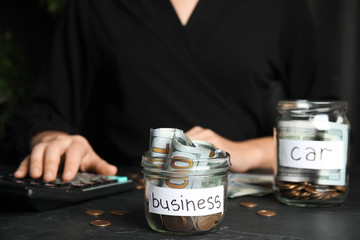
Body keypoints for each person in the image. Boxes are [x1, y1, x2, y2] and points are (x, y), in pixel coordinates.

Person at [5, 0, 337, 182]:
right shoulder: (95, 7)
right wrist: (51, 141)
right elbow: (42, 113)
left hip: (247, 206)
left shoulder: (282, 7)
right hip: (124, 209)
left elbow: (329, 132)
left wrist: (243, 153)